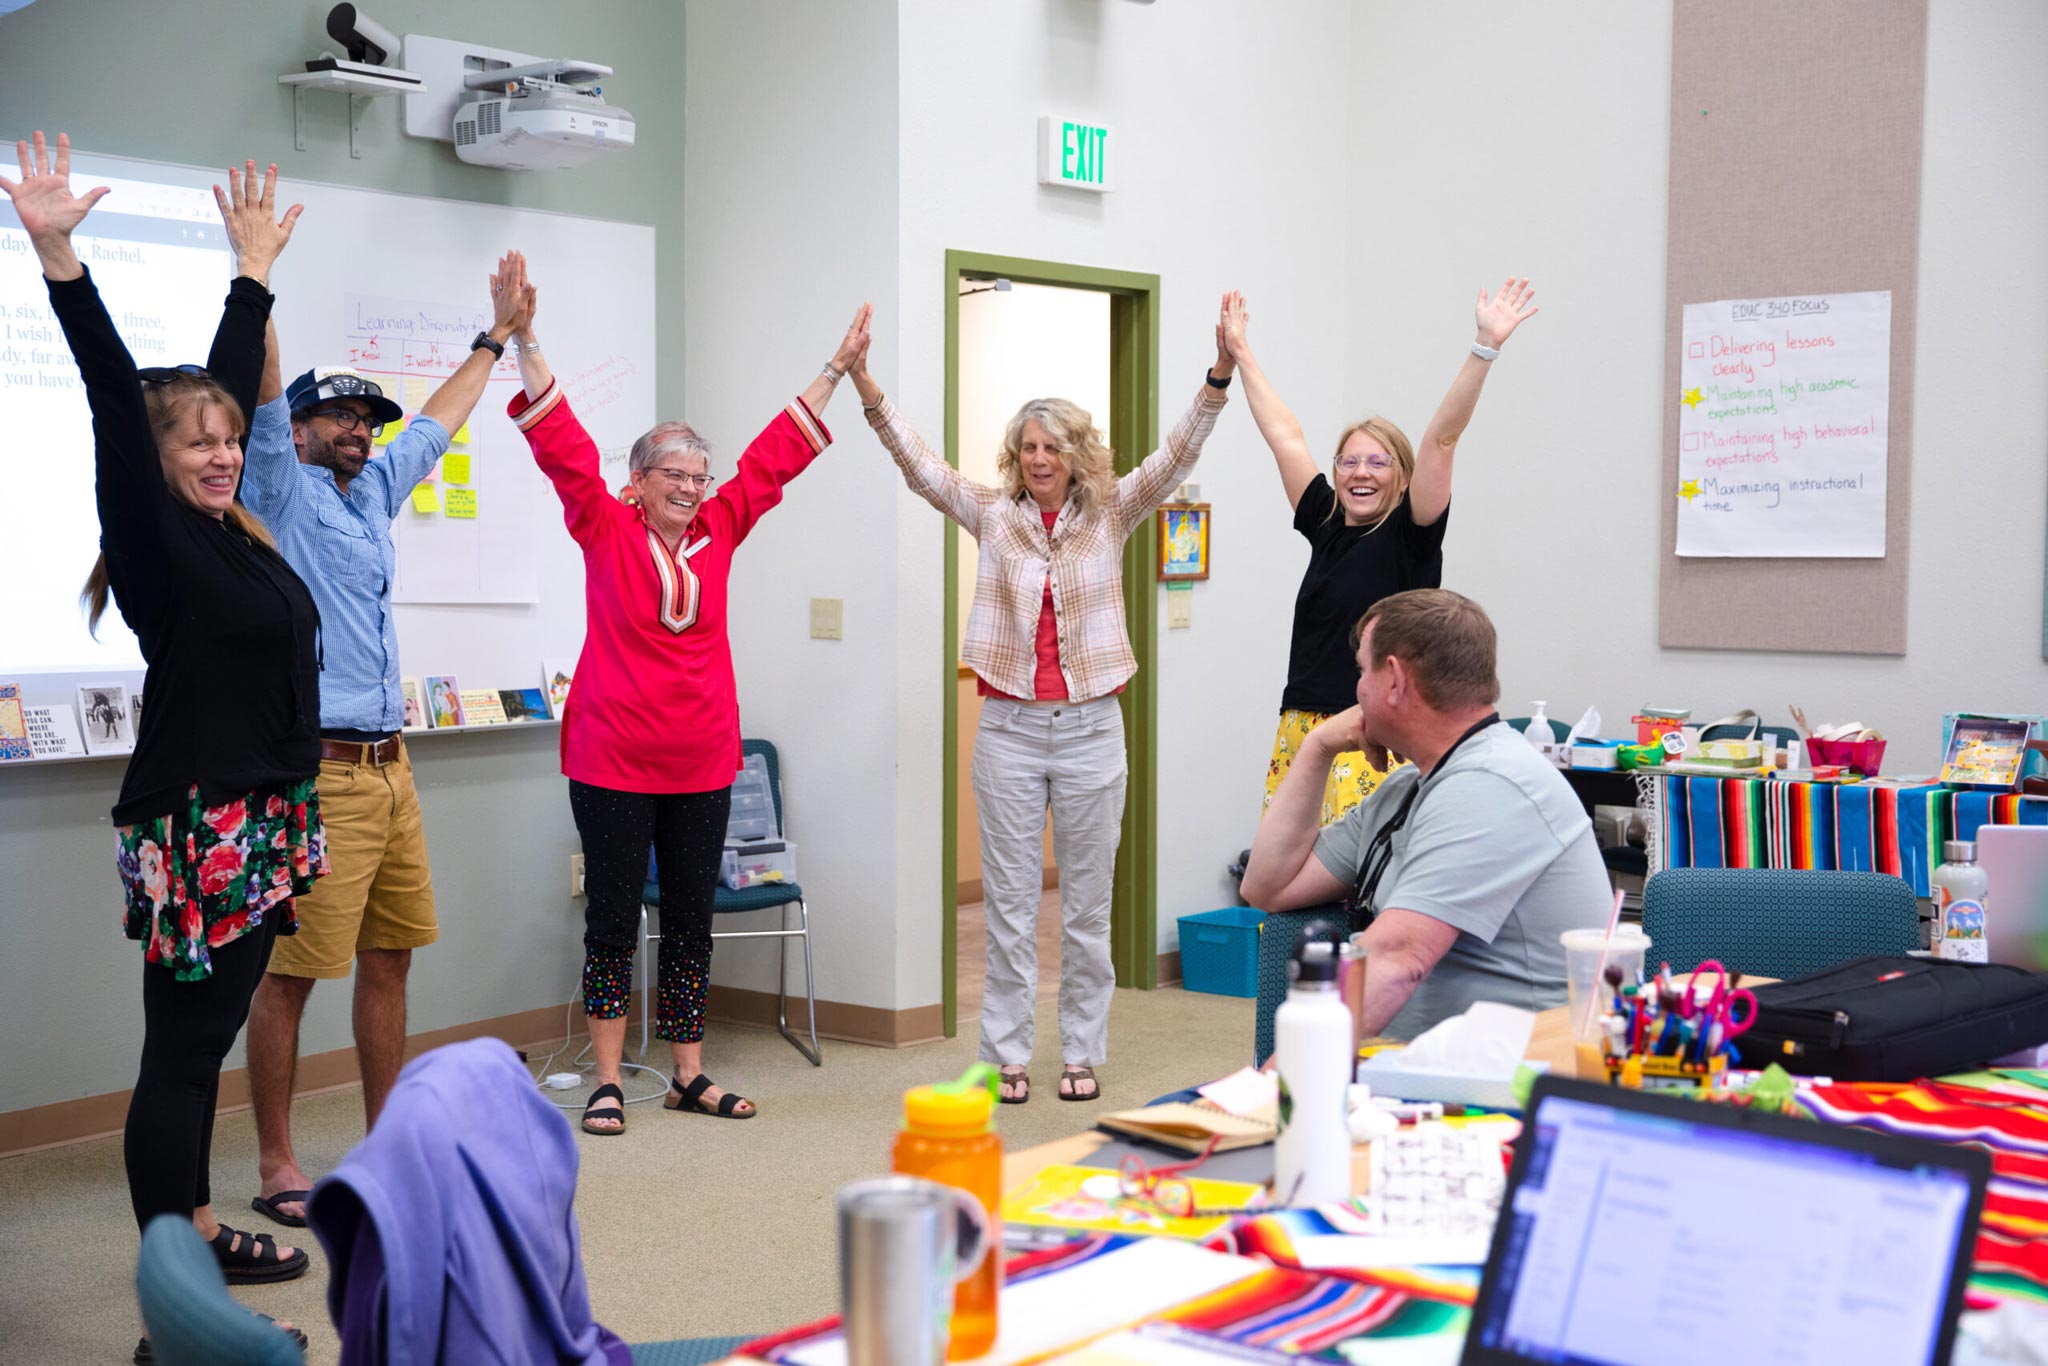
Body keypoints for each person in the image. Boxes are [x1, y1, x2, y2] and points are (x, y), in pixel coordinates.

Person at [4, 133, 320, 1360]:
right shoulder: (157, 546)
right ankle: (172, 1313)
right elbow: (108, 394)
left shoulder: (232, 532)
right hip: (209, 822)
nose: (221, 450)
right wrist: (58, 260)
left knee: (200, 1049)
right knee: (182, 1064)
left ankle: (190, 1222)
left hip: (264, 817)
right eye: (194, 441)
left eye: (228, 437)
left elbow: (227, 385)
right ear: (154, 459)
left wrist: (252, 274)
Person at [509, 274, 871, 1134]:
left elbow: (777, 456)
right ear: (636, 480)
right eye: (675, 473)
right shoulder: (602, 523)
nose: (693, 487)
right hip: (612, 759)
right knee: (610, 924)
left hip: (704, 758)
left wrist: (835, 367)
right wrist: (524, 339)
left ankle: (687, 1073)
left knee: (691, 924)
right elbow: (559, 439)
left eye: (700, 476)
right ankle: (605, 1078)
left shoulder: (723, 529)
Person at [848, 308, 1235, 1105]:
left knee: (1088, 911)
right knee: (1012, 910)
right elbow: (922, 467)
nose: (1039, 459)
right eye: (1027, 448)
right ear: (1015, 459)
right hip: (1011, 734)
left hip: (1093, 730)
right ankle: (1009, 1057)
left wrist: (1218, 374)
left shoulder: (1111, 513)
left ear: (1074, 455)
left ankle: (1083, 1054)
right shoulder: (993, 515)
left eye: (1052, 447)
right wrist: (865, 386)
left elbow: (1177, 454)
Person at [236, 210, 532, 1231]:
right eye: (343, 416)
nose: (360, 427)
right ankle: (277, 1160)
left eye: (369, 418)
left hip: (392, 770)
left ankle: (384, 1144)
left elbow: (441, 422)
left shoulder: (371, 496)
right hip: (318, 773)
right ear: (307, 429)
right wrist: (255, 273)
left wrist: (491, 340)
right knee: (290, 972)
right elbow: (266, 388)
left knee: (391, 956)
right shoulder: (278, 480)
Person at [1219, 281, 1539, 826]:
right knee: (1289, 875)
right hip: (1301, 725)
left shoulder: (1411, 531)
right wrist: (1240, 353)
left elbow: (1442, 439)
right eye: (1348, 462)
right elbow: (1285, 436)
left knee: (1358, 880)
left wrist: (1485, 347)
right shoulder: (1325, 521)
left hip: (1375, 730)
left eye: (1378, 462)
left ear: (1402, 476)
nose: (1360, 472)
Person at [1240, 589, 1608, 1039]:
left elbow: (1397, 960)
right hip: (1417, 1068)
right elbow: (1267, 887)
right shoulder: (1409, 787)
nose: (1355, 689)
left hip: (1511, 1083)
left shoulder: (1494, 785)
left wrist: (1282, 1087)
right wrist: (1317, 749)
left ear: (1393, 680)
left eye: (1361, 671)